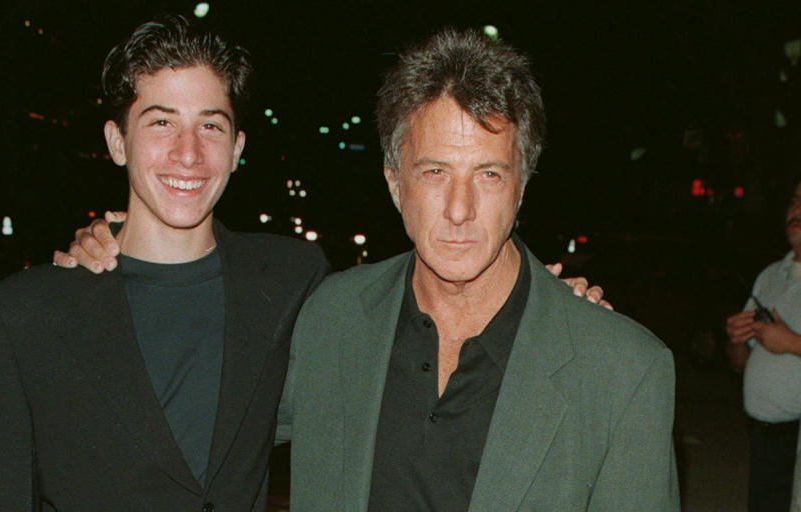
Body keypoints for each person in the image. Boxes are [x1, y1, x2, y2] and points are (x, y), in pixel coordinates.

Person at [274, 29, 679, 511]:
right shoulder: (330, 319)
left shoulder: (623, 371)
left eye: (488, 174)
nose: (459, 209)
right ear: (395, 184)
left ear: (521, 187)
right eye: (435, 172)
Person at [0, 16, 328, 511]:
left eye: (210, 126)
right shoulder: (22, 316)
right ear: (117, 142)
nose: (188, 153)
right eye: (162, 122)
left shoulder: (293, 279)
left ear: (237, 148)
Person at [725, 179, 801, 512]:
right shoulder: (770, 274)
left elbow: (785, 343)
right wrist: (736, 338)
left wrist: (791, 343)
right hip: (761, 435)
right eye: (795, 200)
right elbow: (739, 362)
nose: (797, 209)